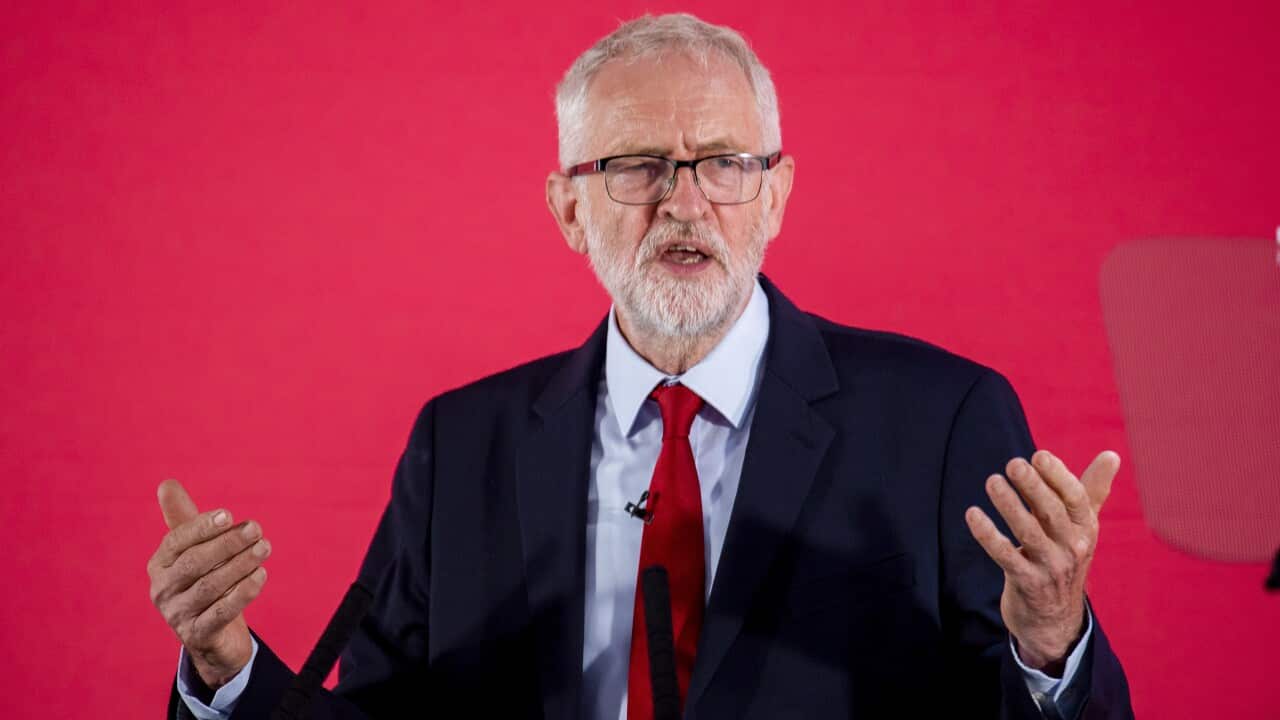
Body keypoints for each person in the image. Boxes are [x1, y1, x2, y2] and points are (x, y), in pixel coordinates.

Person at [148, 13, 1133, 719]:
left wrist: (1050, 643)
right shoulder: (461, 445)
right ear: (566, 209)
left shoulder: (942, 417)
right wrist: (227, 669)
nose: (684, 200)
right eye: (635, 166)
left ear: (776, 195)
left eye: (721, 162)